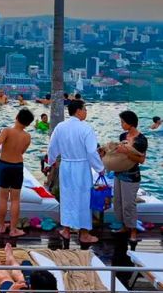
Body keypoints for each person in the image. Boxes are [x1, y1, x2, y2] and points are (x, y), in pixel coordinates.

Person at [47, 99, 105, 245]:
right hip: (81, 167)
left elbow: (52, 147)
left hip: (66, 165)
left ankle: (66, 230)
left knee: (67, 197)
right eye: (84, 109)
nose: (86, 112)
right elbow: (92, 152)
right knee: (84, 199)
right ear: (78, 111)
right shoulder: (86, 128)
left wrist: (50, 161)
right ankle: (84, 234)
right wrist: (100, 168)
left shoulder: (60, 127)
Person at [0, 109, 35, 237]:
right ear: (28, 124)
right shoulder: (27, 136)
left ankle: (1, 226)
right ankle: (13, 229)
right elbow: (21, 152)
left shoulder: (7, 131)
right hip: (17, 166)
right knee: (15, 200)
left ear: (16, 117)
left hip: (4, 165)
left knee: (3, 197)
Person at [113, 111, 147, 249]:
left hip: (131, 176)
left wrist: (127, 152)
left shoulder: (141, 140)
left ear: (130, 122)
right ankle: (124, 227)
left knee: (129, 204)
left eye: (123, 122)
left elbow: (141, 159)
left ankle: (133, 231)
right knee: (118, 203)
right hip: (119, 174)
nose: (121, 124)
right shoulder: (122, 136)